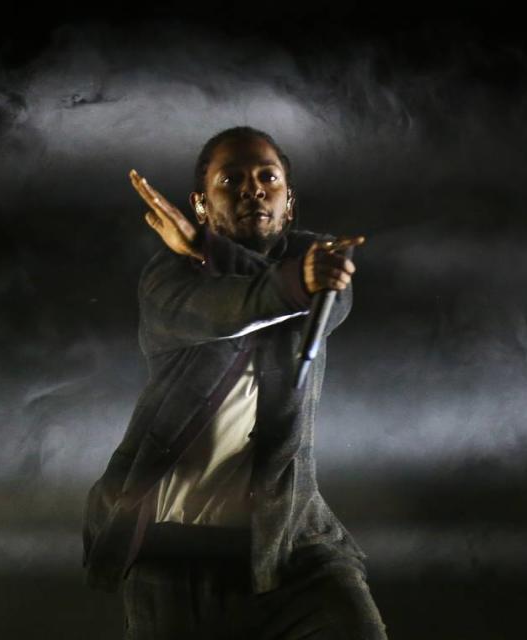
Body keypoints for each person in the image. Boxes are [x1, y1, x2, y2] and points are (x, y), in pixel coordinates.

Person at [82, 126, 387, 639]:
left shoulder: (317, 260)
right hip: (172, 552)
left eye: (268, 177)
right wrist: (209, 254)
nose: (253, 188)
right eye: (232, 179)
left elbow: (314, 304)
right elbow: (232, 308)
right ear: (201, 205)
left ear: (289, 203)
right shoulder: (168, 278)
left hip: (292, 541)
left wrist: (288, 276)